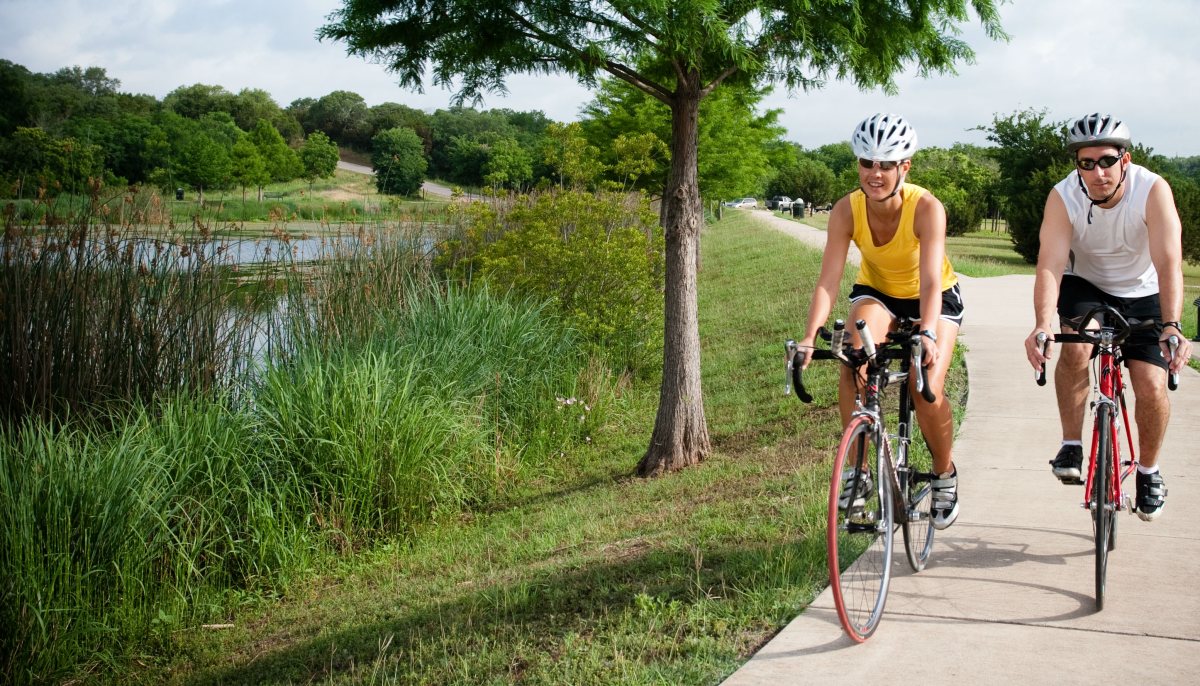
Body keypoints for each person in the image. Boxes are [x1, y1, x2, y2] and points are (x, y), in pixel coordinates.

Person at [797, 113, 963, 530]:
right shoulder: (846, 210)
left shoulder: (926, 207)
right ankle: (858, 473)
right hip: (879, 294)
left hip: (934, 297)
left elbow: (929, 279)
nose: (875, 173)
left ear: (904, 167)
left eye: (886, 165)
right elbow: (828, 281)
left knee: (924, 386)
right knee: (853, 358)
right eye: (867, 163)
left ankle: (944, 475)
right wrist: (807, 336)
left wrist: (926, 332)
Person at [1023, 113, 1190, 521]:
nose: (1097, 172)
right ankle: (1071, 443)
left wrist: (1171, 324)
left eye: (1107, 161)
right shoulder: (1063, 196)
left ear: (1125, 160)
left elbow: (1170, 264)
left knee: (1150, 385)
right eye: (1086, 163)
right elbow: (1050, 265)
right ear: (1076, 165)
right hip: (1087, 284)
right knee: (1077, 347)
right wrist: (1043, 323)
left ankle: (1149, 473)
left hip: (1145, 290)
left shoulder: (1152, 190)